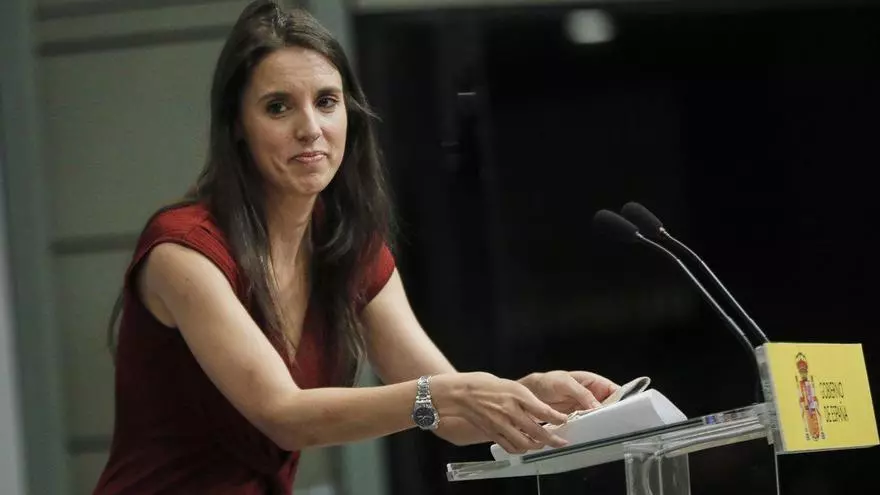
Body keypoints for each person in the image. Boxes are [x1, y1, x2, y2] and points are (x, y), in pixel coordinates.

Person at [93, 1, 619, 493]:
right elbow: (283, 415)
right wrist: (450, 393)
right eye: (278, 107)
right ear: (237, 127)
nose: (310, 129)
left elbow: (454, 417)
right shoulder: (183, 251)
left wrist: (528, 395)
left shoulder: (348, 245)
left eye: (326, 102)